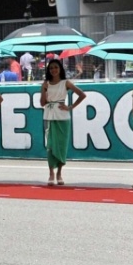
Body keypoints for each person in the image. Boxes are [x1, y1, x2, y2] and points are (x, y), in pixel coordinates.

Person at [39, 58, 85, 186]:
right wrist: (43, 90)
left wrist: (70, 107)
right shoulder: (46, 83)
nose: (54, 70)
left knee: (61, 145)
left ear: (60, 69)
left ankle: (59, 172)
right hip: (48, 115)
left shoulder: (66, 83)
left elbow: (81, 94)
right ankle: (51, 173)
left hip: (62, 116)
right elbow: (42, 103)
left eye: (56, 67)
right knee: (50, 145)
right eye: (51, 68)